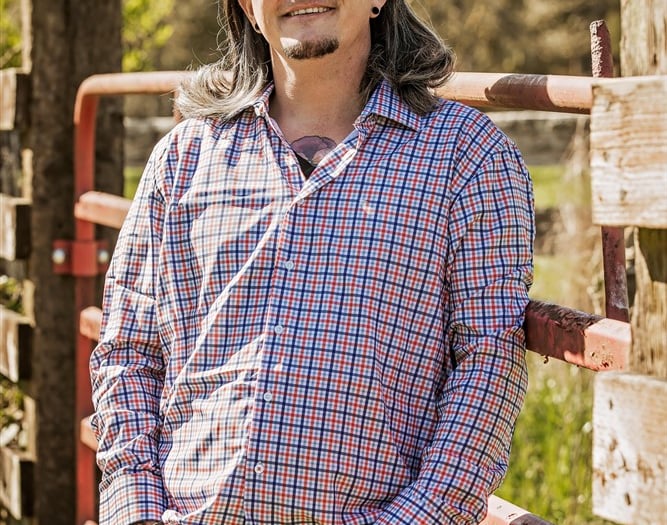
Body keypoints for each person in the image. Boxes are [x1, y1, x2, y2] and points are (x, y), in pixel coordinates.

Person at [90, 1, 535, 524]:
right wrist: (136, 513)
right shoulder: (183, 159)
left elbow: (488, 363)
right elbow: (129, 353)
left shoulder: (468, 157)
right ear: (247, 8)